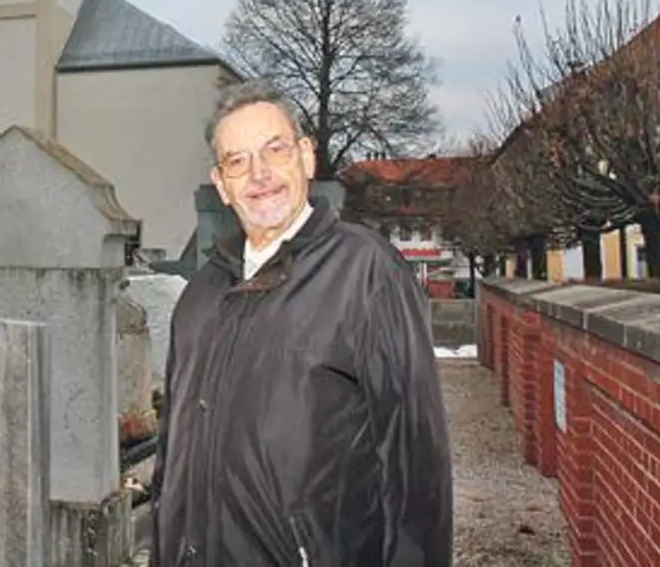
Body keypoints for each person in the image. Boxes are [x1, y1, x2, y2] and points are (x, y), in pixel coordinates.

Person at [150, 80, 453, 566]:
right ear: (222, 184)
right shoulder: (200, 295)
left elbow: (415, 469)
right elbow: (171, 456)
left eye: (274, 149)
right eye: (237, 161)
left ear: (307, 157)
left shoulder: (366, 273)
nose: (259, 174)